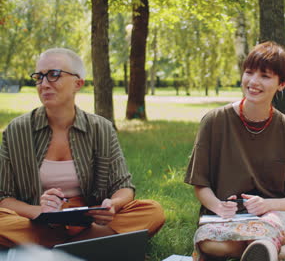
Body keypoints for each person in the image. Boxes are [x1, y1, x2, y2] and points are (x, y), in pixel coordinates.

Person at [0, 48, 165, 248]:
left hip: (88, 218)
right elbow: (4, 197)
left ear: (78, 83)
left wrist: (112, 205)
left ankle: (50, 250)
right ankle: (91, 244)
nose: (43, 84)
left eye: (53, 75)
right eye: (39, 77)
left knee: (152, 210)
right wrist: (39, 211)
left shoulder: (101, 128)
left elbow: (123, 187)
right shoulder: (17, 130)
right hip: (36, 221)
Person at [184, 41, 285, 261]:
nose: (253, 82)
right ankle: (280, 252)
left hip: (273, 215)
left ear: (281, 84)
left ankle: (264, 247)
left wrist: (267, 205)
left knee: (267, 230)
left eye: (265, 76)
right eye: (249, 72)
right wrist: (218, 206)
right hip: (225, 217)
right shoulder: (213, 122)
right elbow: (200, 185)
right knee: (207, 242)